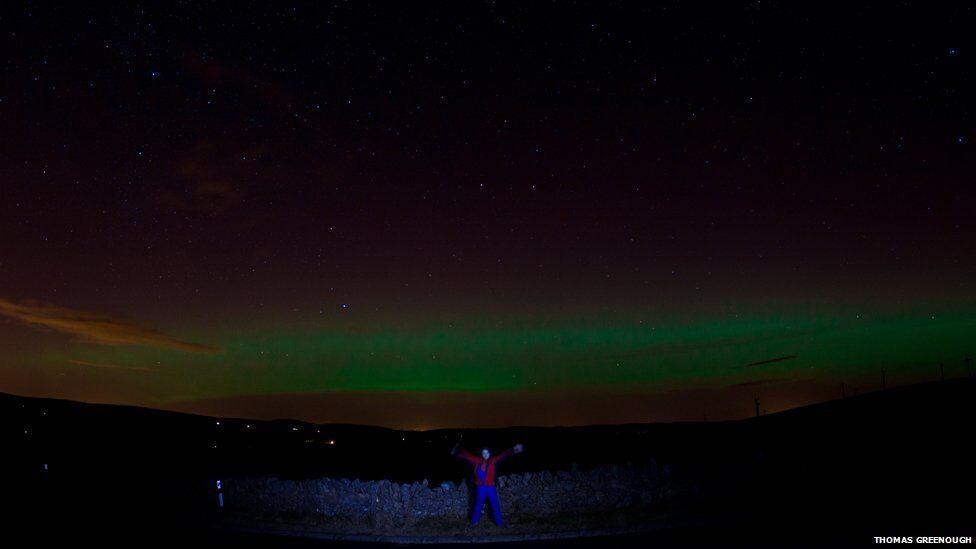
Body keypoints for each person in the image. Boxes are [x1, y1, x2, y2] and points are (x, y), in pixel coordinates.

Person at [450, 442, 524, 526]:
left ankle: (500, 524)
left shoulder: (493, 461)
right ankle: (473, 524)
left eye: (487, 453)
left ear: (489, 454)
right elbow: (468, 456)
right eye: (483, 453)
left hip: (491, 488)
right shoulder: (477, 461)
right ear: (482, 454)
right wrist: (457, 451)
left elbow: (504, 455)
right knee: (478, 506)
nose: (485, 454)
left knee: (495, 506)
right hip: (480, 488)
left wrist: (514, 450)